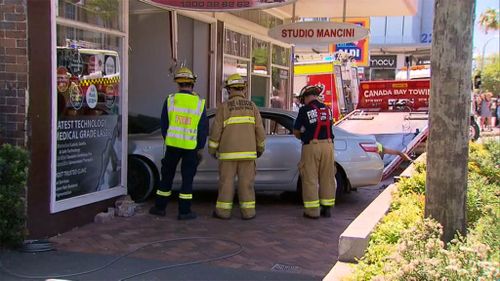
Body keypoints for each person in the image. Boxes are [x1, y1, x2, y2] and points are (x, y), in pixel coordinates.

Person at [149, 67, 209, 220]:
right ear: (192, 84)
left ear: (178, 84)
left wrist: (168, 138)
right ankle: (184, 212)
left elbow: (164, 124)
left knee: (167, 176)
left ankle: (160, 207)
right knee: (187, 179)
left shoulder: (170, 100)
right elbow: (203, 128)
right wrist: (200, 147)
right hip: (190, 147)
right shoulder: (199, 103)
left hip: (172, 146)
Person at [208, 74, 266, 220]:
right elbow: (260, 131)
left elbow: (216, 131)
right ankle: (248, 213)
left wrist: (212, 149)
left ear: (229, 90)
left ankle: (223, 212)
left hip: (228, 154)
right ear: (243, 89)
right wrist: (260, 149)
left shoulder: (224, 107)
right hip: (248, 154)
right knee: (246, 184)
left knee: (226, 184)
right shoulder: (252, 106)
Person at [293, 85, 335, 219]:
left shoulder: (304, 110)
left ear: (306, 97)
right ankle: (327, 208)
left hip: (312, 146)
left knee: (310, 178)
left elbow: (296, 130)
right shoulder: (327, 109)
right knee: (327, 177)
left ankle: (312, 211)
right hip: (328, 146)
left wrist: (302, 135)